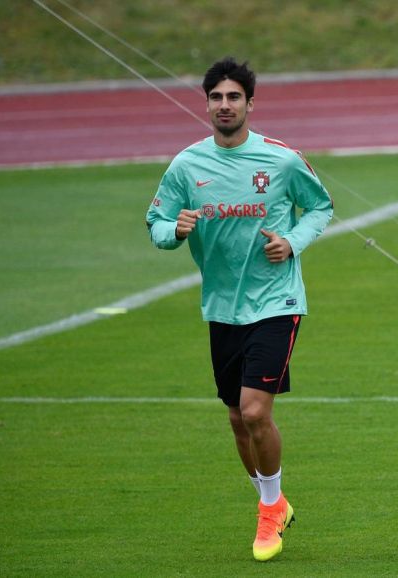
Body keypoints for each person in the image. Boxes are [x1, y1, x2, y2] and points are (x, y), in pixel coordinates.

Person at [145, 57, 333, 561]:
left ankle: (270, 511)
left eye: (233, 97)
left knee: (255, 410)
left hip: (277, 301)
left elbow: (320, 207)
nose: (224, 105)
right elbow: (156, 221)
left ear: (251, 103)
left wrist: (291, 242)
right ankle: (273, 502)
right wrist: (175, 232)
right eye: (216, 97)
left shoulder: (282, 159)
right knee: (235, 418)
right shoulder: (187, 166)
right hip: (222, 308)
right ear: (206, 104)